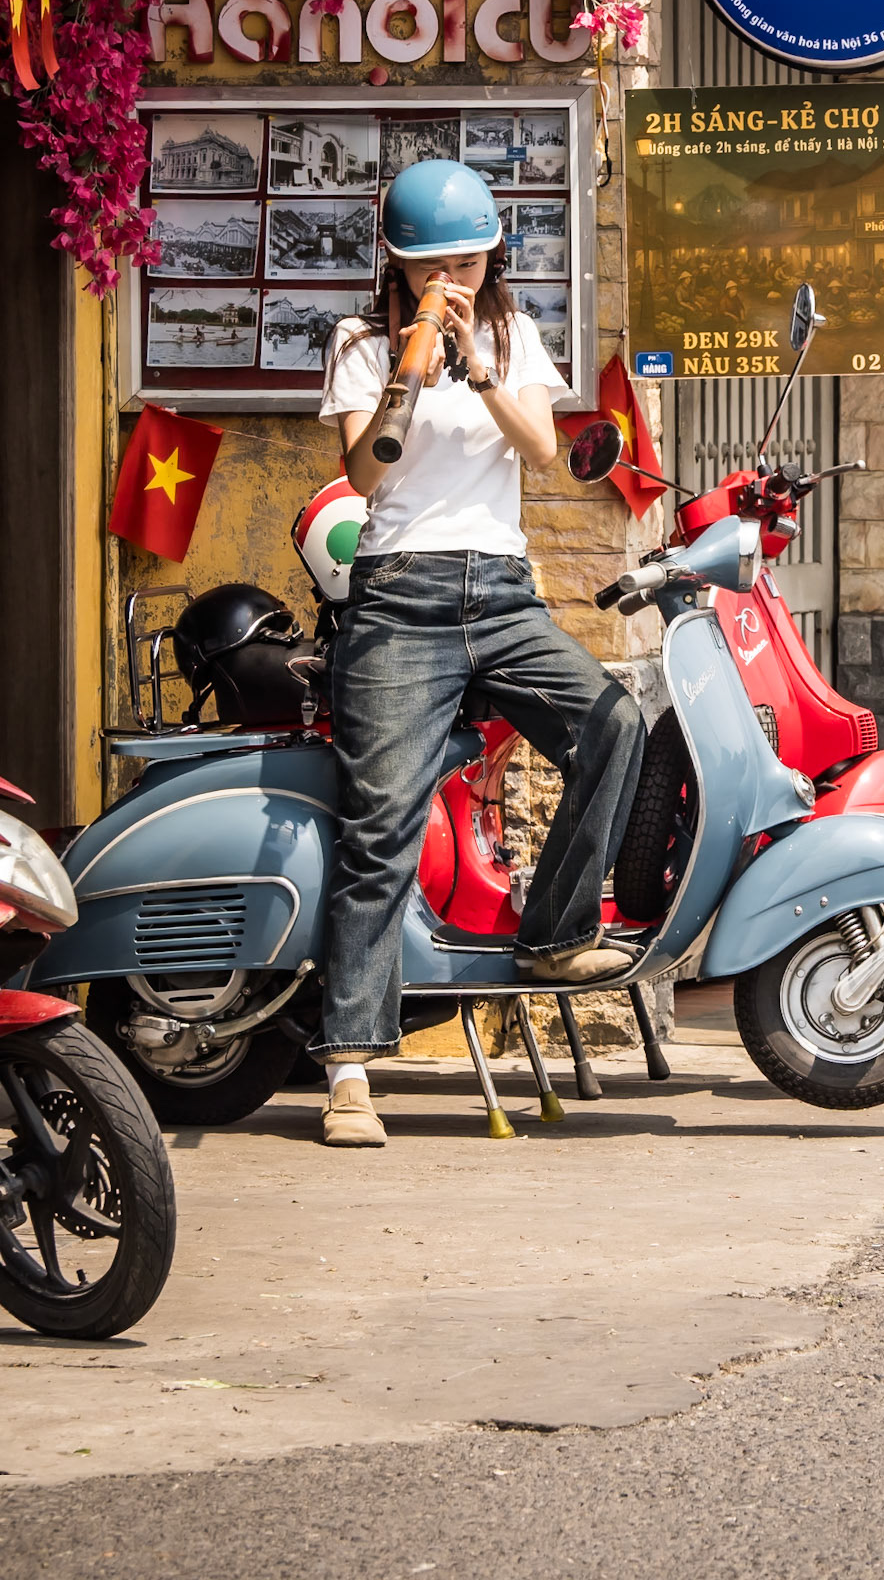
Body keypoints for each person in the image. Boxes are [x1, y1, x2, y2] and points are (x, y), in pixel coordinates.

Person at [311, 160, 645, 1148]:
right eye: (432, 264)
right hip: (399, 597)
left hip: (499, 590)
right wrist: (411, 367)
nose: (453, 275)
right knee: (380, 823)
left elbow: (541, 448)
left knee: (612, 722)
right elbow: (364, 473)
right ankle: (349, 1067)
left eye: (467, 256)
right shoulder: (361, 343)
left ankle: (552, 933)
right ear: (399, 265)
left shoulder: (510, 332)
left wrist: (479, 360)